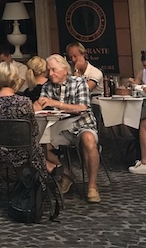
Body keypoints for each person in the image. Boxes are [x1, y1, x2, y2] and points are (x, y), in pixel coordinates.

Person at [35, 54, 102, 203]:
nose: (50, 73)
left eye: (53, 70)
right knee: (37, 144)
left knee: (89, 140)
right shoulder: (47, 86)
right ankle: (67, 173)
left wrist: (56, 103)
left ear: (64, 70)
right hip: (58, 129)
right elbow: (39, 106)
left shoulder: (79, 83)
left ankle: (92, 186)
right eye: (48, 70)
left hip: (82, 125)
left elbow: (82, 107)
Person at [0, 61, 50, 175]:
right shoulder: (24, 102)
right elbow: (34, 131)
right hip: (24, 155)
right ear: (16, 78)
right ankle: (47, 173)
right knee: (38, 146)